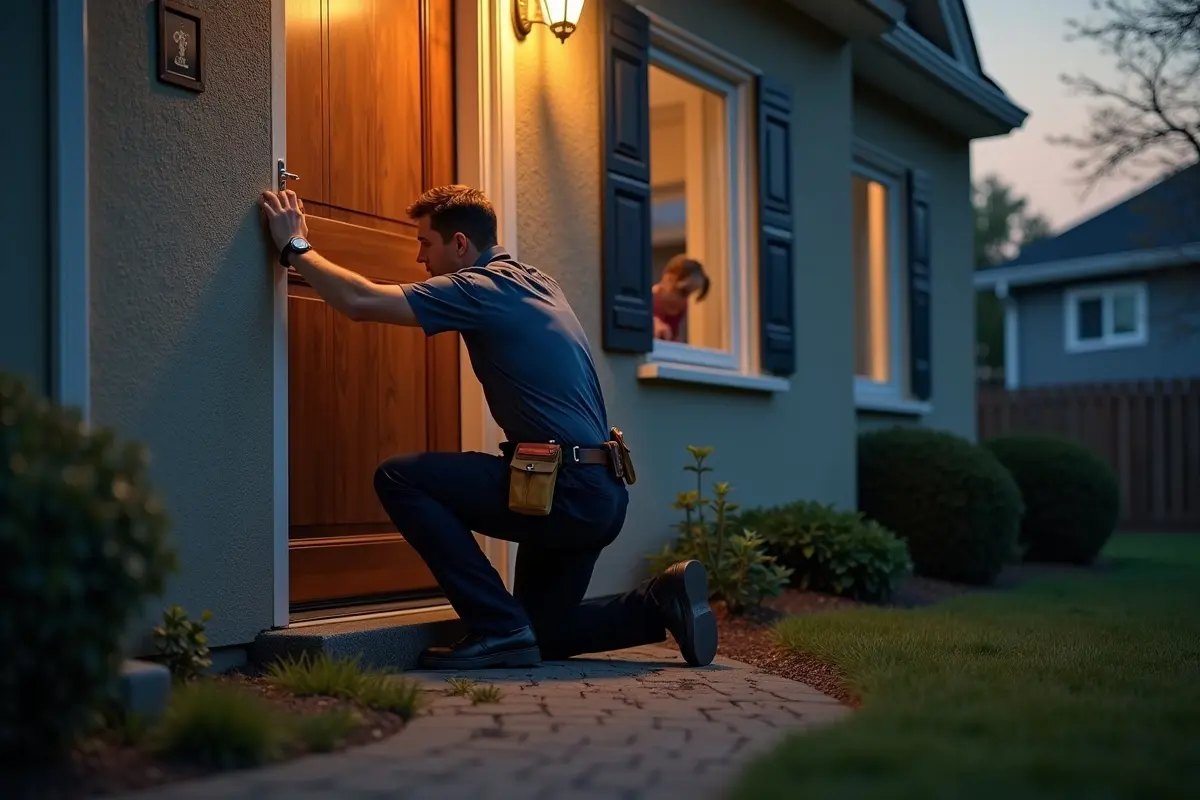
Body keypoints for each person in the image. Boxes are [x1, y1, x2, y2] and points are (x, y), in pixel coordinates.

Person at [259, 184, 718, 670]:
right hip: (600, 490)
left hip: (566, 489)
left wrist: (295, 246)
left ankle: (498, 629)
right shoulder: (538, 280)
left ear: (460, 244)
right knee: (543, 632)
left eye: (425, 243)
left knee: (400, 477)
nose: (419, 257)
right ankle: (658, 602)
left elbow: (359, 300)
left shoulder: (480, 288)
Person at [652, 255, 710, 342]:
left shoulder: (682, 305)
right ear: (668, 279)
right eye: (683, 291)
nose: (684, 298)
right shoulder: (651, 299)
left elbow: (675, 333)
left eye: (690, 293)